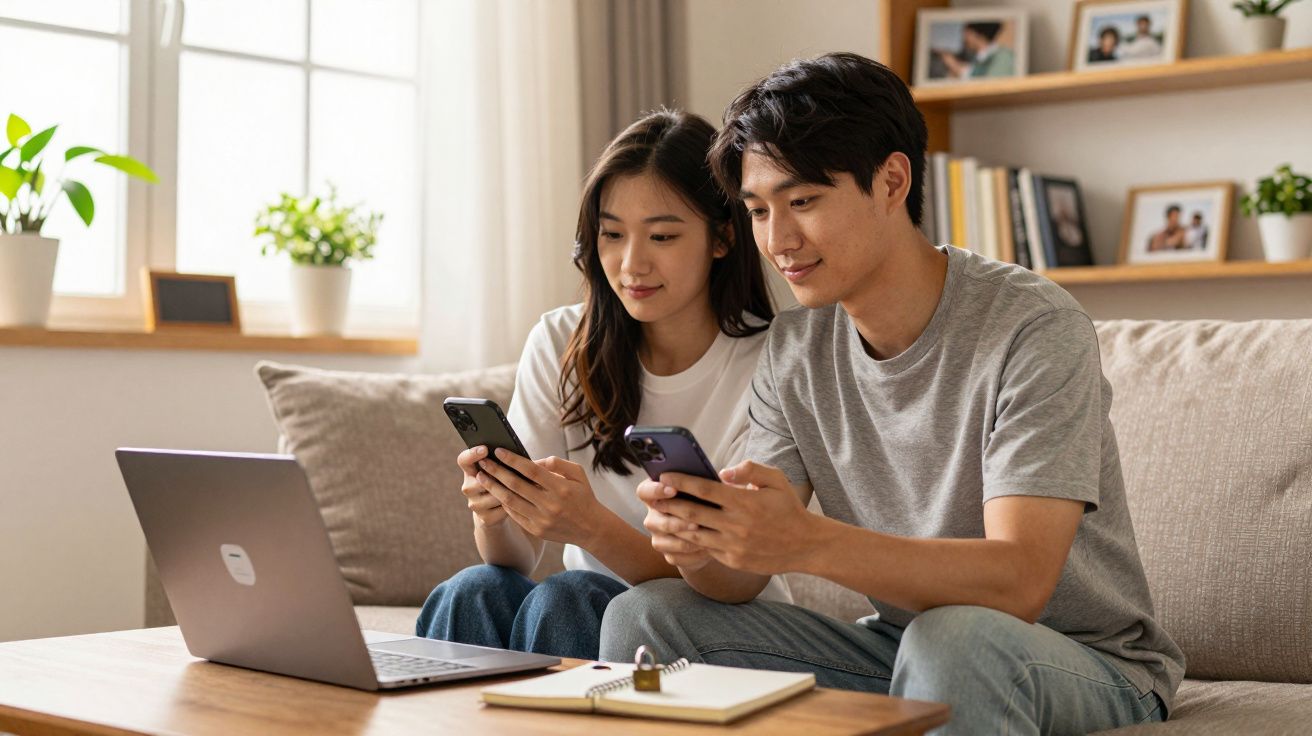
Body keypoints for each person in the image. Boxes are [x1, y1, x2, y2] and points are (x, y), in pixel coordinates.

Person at [600, 52, 1184, 735]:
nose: (778, 240)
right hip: (905, 644)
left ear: (891, 181)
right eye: (758, 211)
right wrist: (705, 541)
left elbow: (1021, 581)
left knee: (956, 639)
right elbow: (736, 583)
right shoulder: (796, 349)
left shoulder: (1031, 326)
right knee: (646, 615)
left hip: (1084, 661)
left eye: (804, 201)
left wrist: (805, 541)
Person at [414, 109, 785, 660]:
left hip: (716, 619)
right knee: (476, 588)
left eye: (661, 235)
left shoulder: (772, 361)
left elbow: (725, 578)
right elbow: (514, 558)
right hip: (584, 605)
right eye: (611, 234)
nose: (631, 263)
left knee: (571, 595)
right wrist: (495, 512)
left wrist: (590, 528)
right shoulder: (562, 339)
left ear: (722, 237)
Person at [935, 22, 1015, 79]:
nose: (963, 37)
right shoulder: (980, 58)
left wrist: (950, 61)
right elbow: (968, 71)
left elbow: (988, 84)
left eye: (966, 32)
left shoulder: (1003, 56)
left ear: (976, 34)